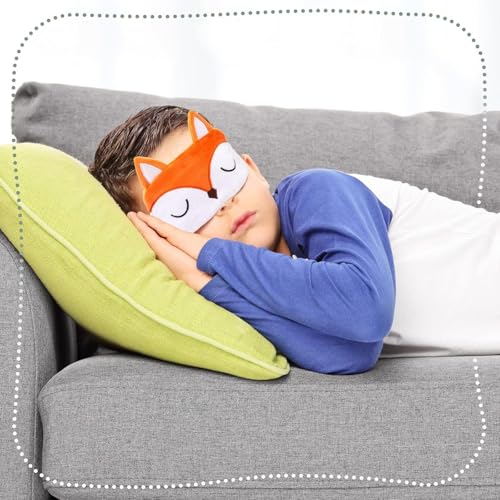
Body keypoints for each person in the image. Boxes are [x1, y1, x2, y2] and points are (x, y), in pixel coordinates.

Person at [88, 105, 500, 374]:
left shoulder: (315, 191)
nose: (224, 202)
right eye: (185, 210)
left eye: (225, 172)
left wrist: (208, 250)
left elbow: (365, 308)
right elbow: (351, 354)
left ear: (252, 168)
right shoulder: (247, 289)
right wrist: (203, 284)